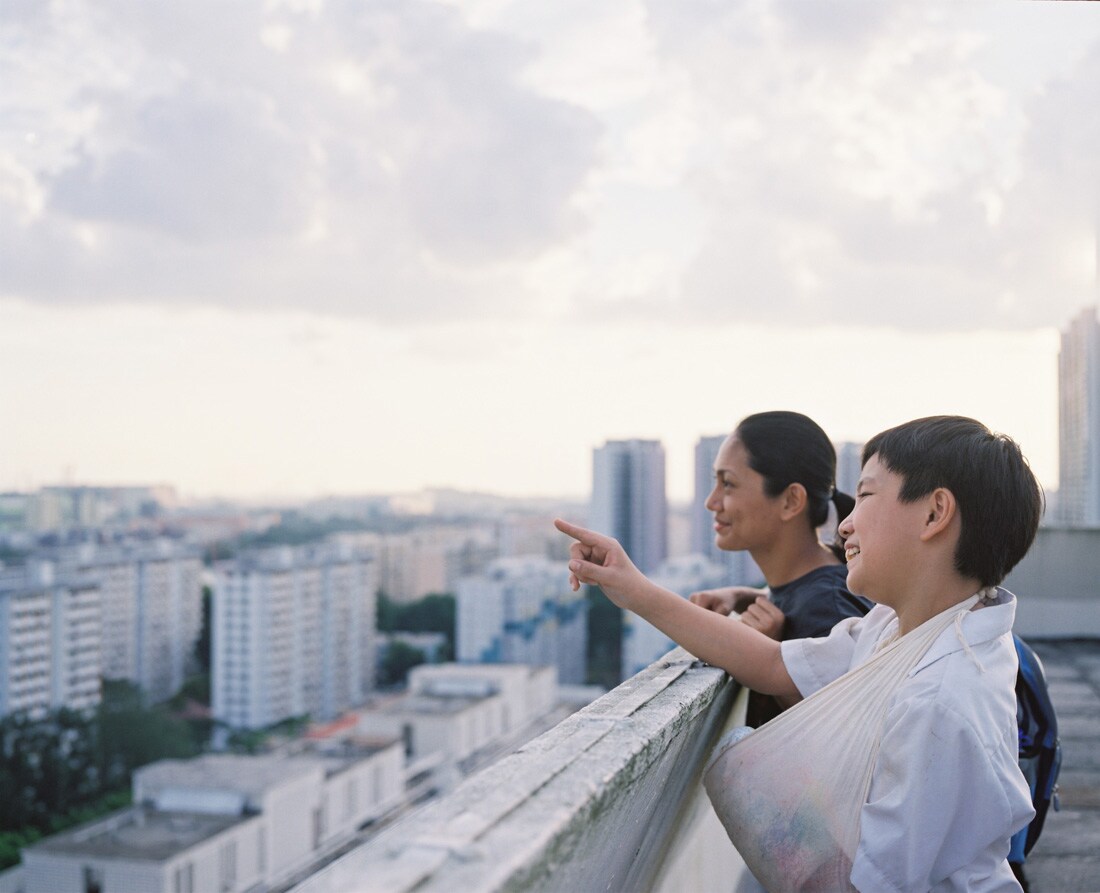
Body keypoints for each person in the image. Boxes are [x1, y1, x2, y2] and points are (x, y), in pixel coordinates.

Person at [556, 415, 1041, 892]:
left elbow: (877, 885)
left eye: (867, 495)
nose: (845, 525)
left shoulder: (939, 697)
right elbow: (772, 664)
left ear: (934, 514)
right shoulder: (896, 628)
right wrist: (632, 588)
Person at [686, 411, 872, 726]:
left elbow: (840, 738)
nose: (712, 501)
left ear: (790, 501)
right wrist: (746, 596)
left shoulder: (828, 608)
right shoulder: (813, 588)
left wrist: (772, 653)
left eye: (728, 484)